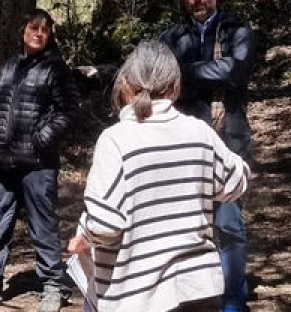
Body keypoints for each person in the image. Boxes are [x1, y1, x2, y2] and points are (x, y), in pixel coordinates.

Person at [68, 40, 250, 312]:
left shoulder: (116, 140)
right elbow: (237, 181)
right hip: (198, 290)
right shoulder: (199, 132)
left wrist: (85, 233)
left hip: (137, 297)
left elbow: (105, 225)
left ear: (125, 85)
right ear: (175, 88)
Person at [160, 0, 257, 312]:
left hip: (228, 136)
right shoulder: (171, 37)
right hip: (182, 140)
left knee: (228, 222)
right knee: (185, 222)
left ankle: (233, 299)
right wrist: (207, 75)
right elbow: (160, 81)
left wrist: (184, 75)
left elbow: (235, 70)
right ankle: (191, 295)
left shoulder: (237, 30)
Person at [0, 10, 78, 312]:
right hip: (5, 162)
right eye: (34, 28)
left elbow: (68, 111)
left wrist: (39, 139)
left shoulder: (55, 68)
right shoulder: (9, 66)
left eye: (45, 30)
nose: (39, 34)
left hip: (39, 164)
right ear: (23, 31)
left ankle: (54, 286)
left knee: (42, 225)